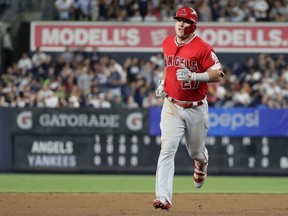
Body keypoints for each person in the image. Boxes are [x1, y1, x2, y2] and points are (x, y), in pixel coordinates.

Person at [153, 6, 225, 211]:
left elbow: (218, 73)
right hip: (171, 105)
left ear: (194, 25)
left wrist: (195, 76)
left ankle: (202, 163)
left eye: (185, 21)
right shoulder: (167, 42)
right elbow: (169, 66)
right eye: (178, 20)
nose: (180, 24)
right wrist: (162, 83)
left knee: (196, 152)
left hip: (195, 108)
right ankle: (163, 197)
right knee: (167, 149)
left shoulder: (203, 47)